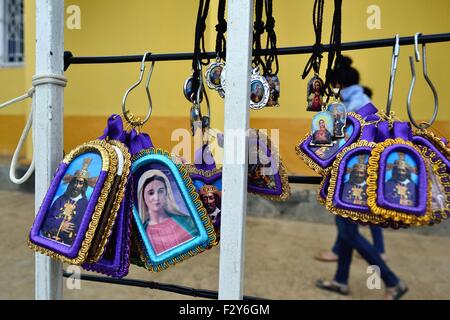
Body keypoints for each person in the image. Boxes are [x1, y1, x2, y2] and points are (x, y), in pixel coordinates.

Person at [314, 56, 407, 299]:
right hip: (356, 175)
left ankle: (392, 281)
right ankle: (340, 280)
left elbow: (334, 142)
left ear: (337, 83)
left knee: (349, 233)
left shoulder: (349, 107)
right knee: (346, 231)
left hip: (351, 178)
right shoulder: (362, 102)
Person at [137, 170, 199, 255]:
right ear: (143, 197)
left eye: (160, 191)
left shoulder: (187, 222)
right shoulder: (141, 235)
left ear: (167, 193)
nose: (156, 197)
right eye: (151, 193)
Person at [41, 158, 94, 246]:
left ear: (84, 186)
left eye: (80, 183)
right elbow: (46, 220)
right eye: (75, 182)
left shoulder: (85, 205)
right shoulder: (60, 200)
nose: (76, 186)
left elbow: (82, 229)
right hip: (50, 241)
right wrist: (60, 225)